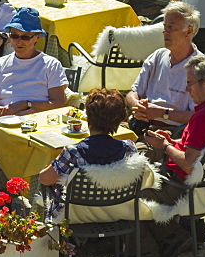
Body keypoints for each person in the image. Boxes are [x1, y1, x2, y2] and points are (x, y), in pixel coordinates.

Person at [138, 53, 205, 257]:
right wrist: (173, 143)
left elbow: (189, 163)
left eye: (190, 83)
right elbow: (197, 152)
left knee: (128, 195)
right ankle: (172, 237)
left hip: (181, 187)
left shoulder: (204, 117)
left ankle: (156, 247)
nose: (186, 89)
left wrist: (164, 146)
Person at [39, 89, 138, 222]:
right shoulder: (129, 149)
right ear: (120, 120)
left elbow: (44, 179)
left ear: (88, 117)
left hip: (75, 218)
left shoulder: (73, 152)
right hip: (114, 216)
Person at [125, 1, 201, 138]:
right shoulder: (158, 56)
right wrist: (137, 106)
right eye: (165, 26)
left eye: (171, 28)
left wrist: (162, 113)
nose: (165, 32)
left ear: (188, 31)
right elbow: (133, 93)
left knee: (125, 154)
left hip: (171, 134)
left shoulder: (198, 67)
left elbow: (199, 116)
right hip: (142, 124)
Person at [0, 7, 68, 121]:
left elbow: (59, 102)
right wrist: (12, 115)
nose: (19, 41)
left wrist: (25, 104)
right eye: (14, 35)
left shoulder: (51, 64)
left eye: (25, 37)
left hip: (40, 120)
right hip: (5, 123)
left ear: (37, 38)